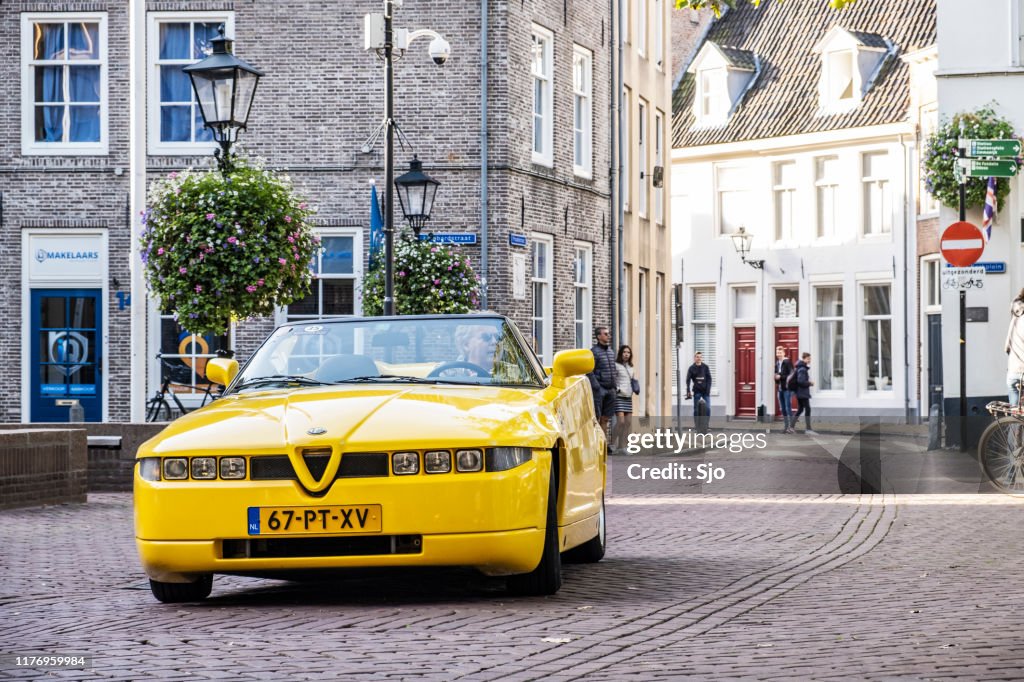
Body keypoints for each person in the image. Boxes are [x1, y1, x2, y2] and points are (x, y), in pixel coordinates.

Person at [589, 327, 618, 438]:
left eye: (608, 334)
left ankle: (604, 443)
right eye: (605, 334)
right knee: (597, 417)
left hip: (611, 389)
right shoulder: (594, 352)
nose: (608, 336)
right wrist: (596, 386)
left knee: (606, 418)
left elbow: (613, 369)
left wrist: (614, 386)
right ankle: (596, 443)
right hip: (600, 390)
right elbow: (589, 371)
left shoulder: (610, 352)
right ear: (599, 336)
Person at [613, 345, 635, 453]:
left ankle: (621, 446)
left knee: (628, 423)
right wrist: (617, 389)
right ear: (621, 353)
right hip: (619, 397)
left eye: (628, 352)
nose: (626, 354)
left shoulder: (631, 367)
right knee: (620, 422)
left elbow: (631, 380)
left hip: (628, 397)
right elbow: (613, 379)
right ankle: (612, 443)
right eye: (624, 352)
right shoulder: (616, 365)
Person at [789, 352, 817, 435]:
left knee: (800, 409)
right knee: (807, 409)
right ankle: (808, 429)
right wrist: (809, 383)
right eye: (808, 359)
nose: (809, 360)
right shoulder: (802, 369)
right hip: (802, 393)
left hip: (800, 392)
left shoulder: (800, 367)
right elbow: (800, 381)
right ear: (804, 358)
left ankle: (791, 427)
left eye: (810, 359)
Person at [1006, 288, 1024, 408]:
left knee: (1015, 414)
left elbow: (1007, 348)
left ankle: (1014, 426)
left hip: (1012, 372)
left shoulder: (1016, 315)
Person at [774, 346, 795, 434]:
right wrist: (775, 378)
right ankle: (786, 427)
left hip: (787, 389)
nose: (778, 354)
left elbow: (792, 375)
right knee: (782, 408)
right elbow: (776, 375)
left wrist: (781, 377)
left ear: (783, 353)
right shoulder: (777, 363)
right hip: (780, 388)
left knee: (788, 407)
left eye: (780, 353)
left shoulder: (787, 362)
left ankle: (791, 427)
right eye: (777, 353)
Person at [685, 352, 712, 418]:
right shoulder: (691, 368)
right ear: (694, 358)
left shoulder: (705, 367)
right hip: (697, 391)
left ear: (701, 358)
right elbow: (688, 380)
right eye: (697, 357)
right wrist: (688, 390)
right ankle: (696, 426)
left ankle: (706, 425)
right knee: (696, 410)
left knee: (708, 408)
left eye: (700, 357)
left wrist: (708, 390)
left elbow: (709, 379)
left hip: (705, 391)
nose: (699, 358)